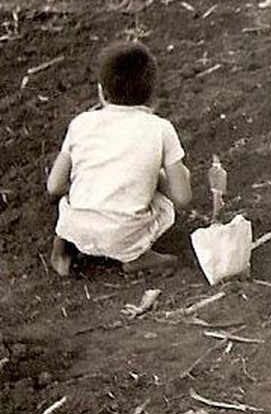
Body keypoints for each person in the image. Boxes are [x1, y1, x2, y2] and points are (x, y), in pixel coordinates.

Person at [47, 41, 191, 276]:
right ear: (153, 96)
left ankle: (65, 247)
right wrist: (157, 178)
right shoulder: (161, 128)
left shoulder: (81, 123)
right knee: (163, 204)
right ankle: (137, 256)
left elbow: (54, 186)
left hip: (75, 226)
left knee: (83, 192)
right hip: (123, 236)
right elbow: (182, 198)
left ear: (101, 92)